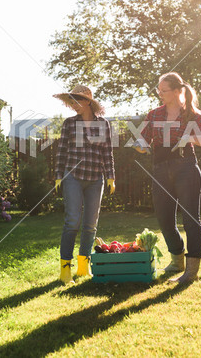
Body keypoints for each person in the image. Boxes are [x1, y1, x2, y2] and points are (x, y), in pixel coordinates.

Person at [134, 72, 201, 284]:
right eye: (158, 90)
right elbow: (139, 140)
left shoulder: (192, 115)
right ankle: (177, 260)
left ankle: (191, 271)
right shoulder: (154, 115)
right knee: (165, 219)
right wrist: (141, 146)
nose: (160, 94)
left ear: (178, 91)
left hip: (186, 167)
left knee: (191, 219)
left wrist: (189, 136)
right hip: (160, 169)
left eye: (164, 90)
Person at [53, 84, 115, 284]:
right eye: (72, 101)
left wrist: (111, 176)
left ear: (88, 102)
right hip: (73, 176)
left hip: (96, 178)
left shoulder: (103, 124)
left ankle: (83, 267)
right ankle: (65, 270)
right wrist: (58, 175)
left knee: (90, 225)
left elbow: (107, 152)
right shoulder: (69, 124)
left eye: (77, 100)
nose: (74, 105)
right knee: (72, 222)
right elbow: (61, 150)